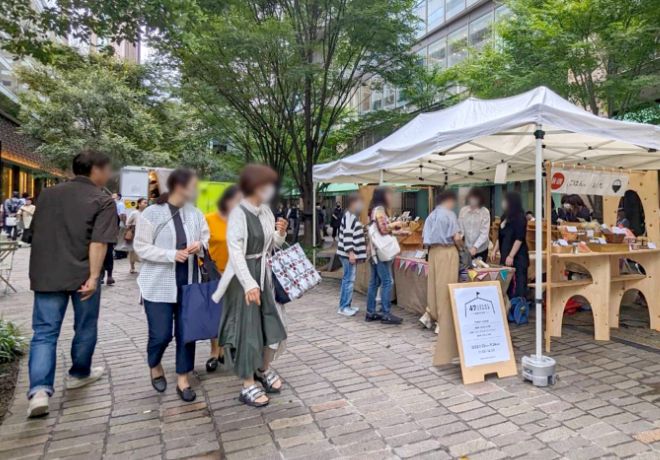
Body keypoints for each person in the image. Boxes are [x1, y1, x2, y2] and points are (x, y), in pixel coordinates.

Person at [26, 150, 118, 418]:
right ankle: (79, 373)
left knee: (44, 333)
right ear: (97, 169)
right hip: (81, 276)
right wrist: (93, 276)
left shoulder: (48, 195)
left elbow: (33, 233)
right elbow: (99, 242)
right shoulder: (102, 199)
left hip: (46, 274)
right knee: (85, 325)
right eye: (108, 168)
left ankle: (39, 392)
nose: (110, 174)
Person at [212, 164, 288, 408]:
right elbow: (235, 252)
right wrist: (248, 284)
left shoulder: (264, 210)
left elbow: (270, 245)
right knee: (248, 330)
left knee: (271, 323)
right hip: (242, 280)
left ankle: (263, 369)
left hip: (263, 275)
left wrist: (280, 233)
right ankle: (247, 384)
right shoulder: (238, 213)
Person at [134, 169, 209, 402]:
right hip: (157, 285)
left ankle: (183, 378)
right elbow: (140, 247)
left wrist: (200, 245)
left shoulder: (195, 213)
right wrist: (170, 254)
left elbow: (205, 238)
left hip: (189, 283)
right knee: (161, 334)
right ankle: (154, 364)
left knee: (187, 334)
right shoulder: (152, 214)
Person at [204, 184, 242, 372]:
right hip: (214, 273)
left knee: (234, 313)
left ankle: (230, 346)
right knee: (215, 313)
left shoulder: (240, 220)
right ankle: (214, 351)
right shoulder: (209, 219)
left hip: (237, 273)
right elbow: (202, 248)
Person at [423, 191, 462, 361]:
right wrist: (461, 243)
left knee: (433, 285)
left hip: (433, 252)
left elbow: (424, 238)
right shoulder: (450, 215)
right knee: (446, 285)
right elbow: (456, 237)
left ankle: (429, 315)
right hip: (447, 251)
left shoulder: (431, 216)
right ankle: (442, 322)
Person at [366, 187, 403, 325]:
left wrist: (398, 231)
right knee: (387, 281)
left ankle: (370, 312)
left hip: (374, 251)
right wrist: (396, 224)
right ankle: (386, 313)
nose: (391, 196)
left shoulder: (373, 209)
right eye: (389, 193)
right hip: (381, 251)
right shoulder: (380, 209)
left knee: (374, 282)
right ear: (383, 196)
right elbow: (383, 229)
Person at [492, 191, 529, 299]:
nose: (503, 203)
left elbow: (519, 238)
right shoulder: (504, 217)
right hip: (505, 254)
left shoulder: (520, 217)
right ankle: (507, 304)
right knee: (506, 281)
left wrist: (511, 255)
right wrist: (494, 250)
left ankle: (519, 305)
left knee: (518, 282)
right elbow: (500, 236)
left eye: (505, 201)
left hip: (518, 256)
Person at [336, 194, 367, 317]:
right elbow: (348, 236)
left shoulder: (351, 216)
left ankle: (346, 305)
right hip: (347, 254)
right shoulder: (350, 216)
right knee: (348, 280)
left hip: (347, 253)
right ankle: (344, 307)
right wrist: (351, 253)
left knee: (348, 280)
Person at [458, 188, 490, 261]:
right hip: (467, 248)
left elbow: (484, 233)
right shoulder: (463, 211)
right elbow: (460, 230)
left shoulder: (485, 212)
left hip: (481, 249)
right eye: (471, 197)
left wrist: (475, 247)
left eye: (475, 198)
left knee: (479, 270)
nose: (473, 200)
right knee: (466, 271)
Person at [126, 198, 148, 273]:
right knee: (132, 250)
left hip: (145, 233)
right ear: (139, 204)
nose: (146, 204)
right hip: (134, 233)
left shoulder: (147, 213)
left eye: (146, 203)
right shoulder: (134, 213)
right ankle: (132, 266)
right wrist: (133, 226)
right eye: (144, 202)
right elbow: (127, 223)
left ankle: (144, 266)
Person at [113, 193, 129, 260]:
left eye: (114, 197)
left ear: (118, 197)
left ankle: (119, 254)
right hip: (118, 223)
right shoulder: (117, 204)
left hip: (120, 223)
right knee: (120, 239)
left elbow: (122, 215)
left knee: (119, 239)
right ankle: (122, 254)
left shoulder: (120, 204)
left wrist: (124, 224)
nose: (112, 198)